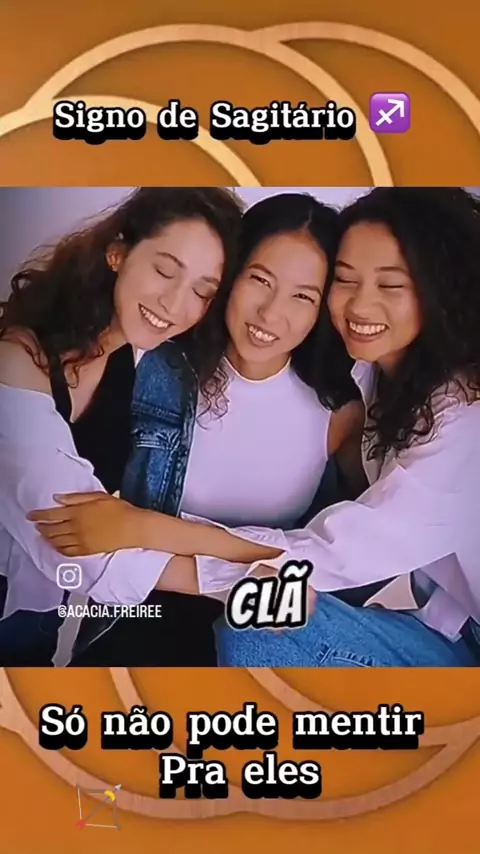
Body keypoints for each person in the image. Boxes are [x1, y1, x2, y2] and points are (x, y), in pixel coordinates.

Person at [32, 193, 366, 666]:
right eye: (259, 280)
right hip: (138, 615)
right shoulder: (154, 362)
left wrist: (142, 526)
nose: (271, 313)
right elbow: (71, 508)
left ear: (322, 309)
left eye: (302, 296)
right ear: (229, 277)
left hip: (259, 635)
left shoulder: (340, 412)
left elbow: (350, 559)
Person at [206, 186, 480, 666]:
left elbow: (339, 552)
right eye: (346, 279)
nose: (359, 305)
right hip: (451, 630)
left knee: (262, 610)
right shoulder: (368, 373)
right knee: (265, 612)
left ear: (439, 290)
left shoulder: (464, 413)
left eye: (390, 286)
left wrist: (152, 535)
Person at [0, 186, 244, 665]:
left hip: (38, 614)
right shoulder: (15, 361)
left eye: (201, 292)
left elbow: (113, 523)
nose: (175, 303)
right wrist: (247, 564)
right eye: (165, 270)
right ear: (117, 253)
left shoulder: (129, 366)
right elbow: (75, 536)